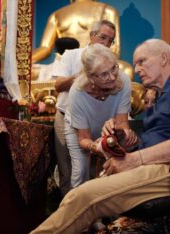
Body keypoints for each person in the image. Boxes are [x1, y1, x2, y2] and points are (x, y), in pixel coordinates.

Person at [30, 38, 170, 233]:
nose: (136, 69)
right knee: (77, 195)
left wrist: (134, 160)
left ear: (163, 58)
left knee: (84, 196)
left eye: (142, 61)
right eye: (135, 63)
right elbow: (150, 143)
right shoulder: (159, 98)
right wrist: (120, 139)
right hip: (160, 168)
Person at [52, 20, 125, 196]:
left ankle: (93, 215)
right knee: (68, 169)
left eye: (111, 40)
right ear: (91, 36)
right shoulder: (71, 55)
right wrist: (83, 75)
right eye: (103, 37)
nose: (106, 43)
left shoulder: (111, 65)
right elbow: (58, 85)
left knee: (95, 169)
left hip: (97, 120)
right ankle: (68, 211)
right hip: (66, 118)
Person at [64, 43, 135, 188]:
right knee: (81, 171)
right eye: (104, 74)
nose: (112, 77)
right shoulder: (77, 93)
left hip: (109, 128)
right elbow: (83, 138)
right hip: (79, 132)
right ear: (90, 77)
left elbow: (122, 122)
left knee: (116, 167)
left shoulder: (124, 81)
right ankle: (77, 207)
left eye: (114, 68)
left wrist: (126, 135)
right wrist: (97, 147)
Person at [32, 0, 134, 80]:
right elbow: (45, 47)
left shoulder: (108, 10)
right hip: (63, 63)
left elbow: (114, 49)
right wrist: (22, 63)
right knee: (28, 72)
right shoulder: (56, 15)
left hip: (95, 61)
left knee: (126, 70)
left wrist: (101, 64)